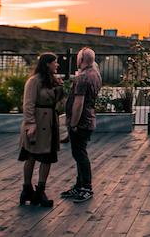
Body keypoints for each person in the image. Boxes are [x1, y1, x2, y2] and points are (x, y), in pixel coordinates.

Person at [19, 53, 64, 207]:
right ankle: (27, 188)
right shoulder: (34, 81)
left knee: (47, 157)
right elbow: (28, 104)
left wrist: (60, 88)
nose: (57, 65)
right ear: (47, 64)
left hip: (50, 121)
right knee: (31, 155)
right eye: (55, 62)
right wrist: (30, 124)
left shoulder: (52, 81)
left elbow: (56, 101)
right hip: (38, 122)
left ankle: (40, 189)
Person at [60, 47, 102, 203]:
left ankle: (86, 187)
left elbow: (78, 103)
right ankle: (79, 186)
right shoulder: (96, 74)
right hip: (90, 119)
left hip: (81, 122)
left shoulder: (82, 77)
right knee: (80, 153)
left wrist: (73, 124)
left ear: (80, 60)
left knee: (80, 155)